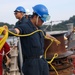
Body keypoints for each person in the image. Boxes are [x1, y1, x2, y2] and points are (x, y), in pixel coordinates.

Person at [4, 4, 60, 75]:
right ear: (36, 17)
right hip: (31, 64)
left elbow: (43, 34)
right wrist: (6, 31)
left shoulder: (38, 28)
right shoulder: (25, 26)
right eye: (42, 20)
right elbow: (17, 30)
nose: (43, 22)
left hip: (42, 61)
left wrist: (53, 38)